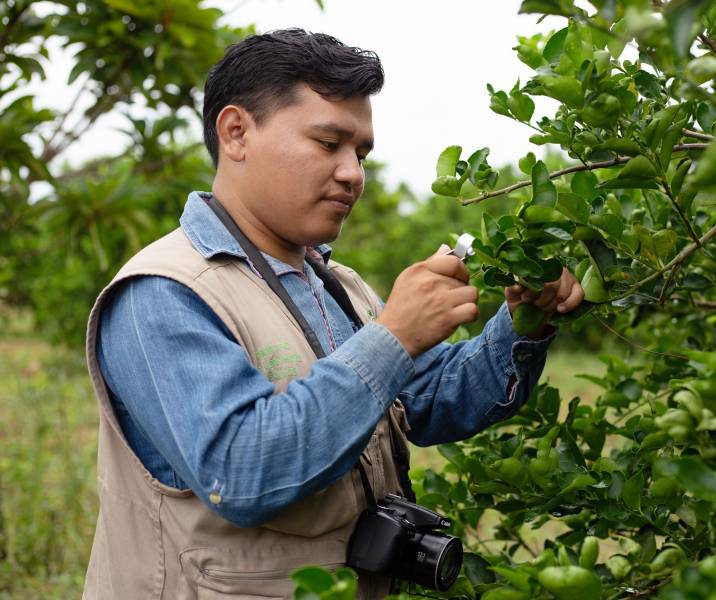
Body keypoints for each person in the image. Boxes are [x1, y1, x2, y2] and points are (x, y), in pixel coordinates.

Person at [82, 29, 584, 600]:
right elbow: (242, 473)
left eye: (361, 153)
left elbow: (433, 401)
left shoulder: (334, 284)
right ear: (236, 132)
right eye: (328, 144)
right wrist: (394, 336)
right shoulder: (163, 293)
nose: (353, 173)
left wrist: (525, 318)